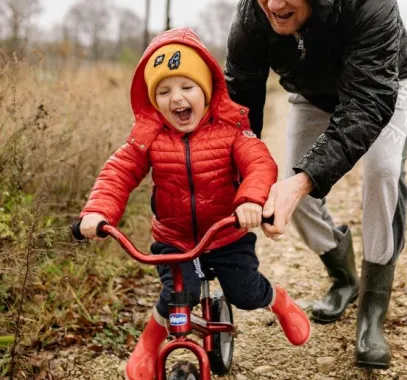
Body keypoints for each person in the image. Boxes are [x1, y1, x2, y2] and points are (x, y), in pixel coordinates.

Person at [77, 27, 311, 380]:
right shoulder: (149, 137)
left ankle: (277, 299)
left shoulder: (231, 130)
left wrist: (249, 201)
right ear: (154, 100)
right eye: (165, 91)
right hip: (175, 238)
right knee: (177, 297)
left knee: (245, 292)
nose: (177, 98)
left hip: (226, 235)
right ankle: (147, 345)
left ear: (206, 90)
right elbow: (119, 172)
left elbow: (260, 164)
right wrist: (98, 211)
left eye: (187, 87)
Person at [225, 0, 407, 369]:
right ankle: (344, 277)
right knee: (291, 190)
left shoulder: (370, 5)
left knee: (383, 172)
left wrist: (304, 180)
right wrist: (243, 181)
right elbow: (240, 106)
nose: (276, 4)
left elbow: (368, 103)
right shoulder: (253, 13)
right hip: (312, 94)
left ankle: (371, 313)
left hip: (383, 87)